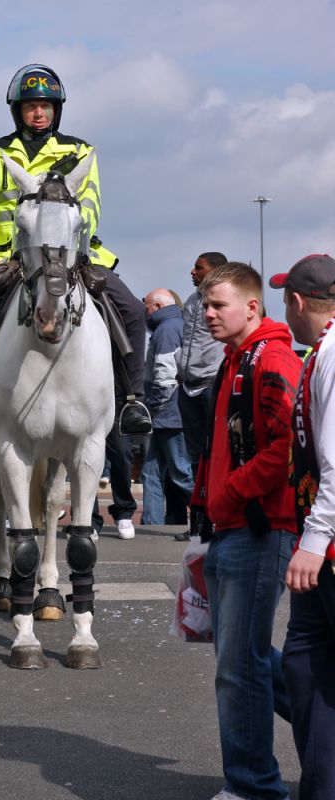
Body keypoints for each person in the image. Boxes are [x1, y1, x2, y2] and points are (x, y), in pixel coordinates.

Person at [0, 63, 150, 445]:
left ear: (56, 110)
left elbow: (90, 208)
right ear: (18, 111)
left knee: (131, 309)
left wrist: (68, 246)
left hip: (71, 256)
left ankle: (132, 400)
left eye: (46, 106)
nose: (38, 113)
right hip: (7, 259)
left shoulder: (81, 152)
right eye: (30, 106)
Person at [191, 262, 301, 800]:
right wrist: (204, 504)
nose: (208, 315)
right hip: (232, 527)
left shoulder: (271, 357)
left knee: (239, 666)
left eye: (219, 306)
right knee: (247, 659)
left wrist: (229, 492)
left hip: (259, 530)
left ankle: (255, 788)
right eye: (205, 306)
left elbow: (287, 447)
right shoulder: (238, 357)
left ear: (252, 308)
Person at [270, 254, 335, 800]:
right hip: (320, 539)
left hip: (327, 543)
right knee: (306, 668)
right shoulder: (323, 352)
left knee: (311, 666)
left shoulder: (332, 355)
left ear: (295, 301)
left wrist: (314, 542)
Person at [174, 251, 228, 541]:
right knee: (195, 456)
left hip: (211, 383)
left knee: (217, 453)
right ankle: (198, 522)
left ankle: (219, 519)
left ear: (216, 271)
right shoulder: (193, 300)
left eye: (199, 267)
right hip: (188, 385)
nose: (192, 272)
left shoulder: (225, 300)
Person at [140, 289, 194, 525]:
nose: (144, 312)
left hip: (168, 414)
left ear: (159, 307)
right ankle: (151, 524)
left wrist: (151, 407)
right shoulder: (177, 324)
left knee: (182, 473)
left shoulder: (166, 329)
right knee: (150, 474)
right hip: (168, 415)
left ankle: (215, 519)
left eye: (147, 307)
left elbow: (164, 375)